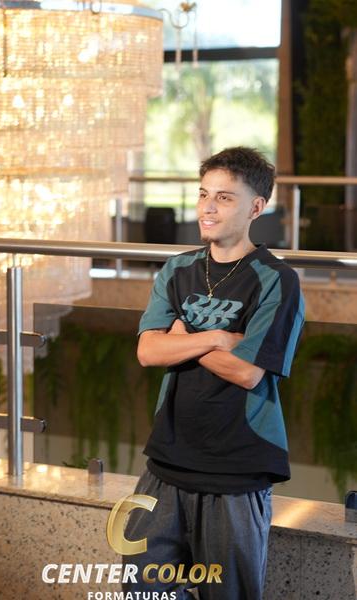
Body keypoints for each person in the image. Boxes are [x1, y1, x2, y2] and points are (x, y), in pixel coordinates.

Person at [122, 147, 305, 600]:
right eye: (204, 194)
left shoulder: (276, 279)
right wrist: (219, 338)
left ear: (256, 207)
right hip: (166, 461)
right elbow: (148, 350)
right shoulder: (178, 269)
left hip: (236, 472)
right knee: (141, 589)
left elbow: (247, 373)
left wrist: (185, 337)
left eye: (224, 198)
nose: (207, 207)